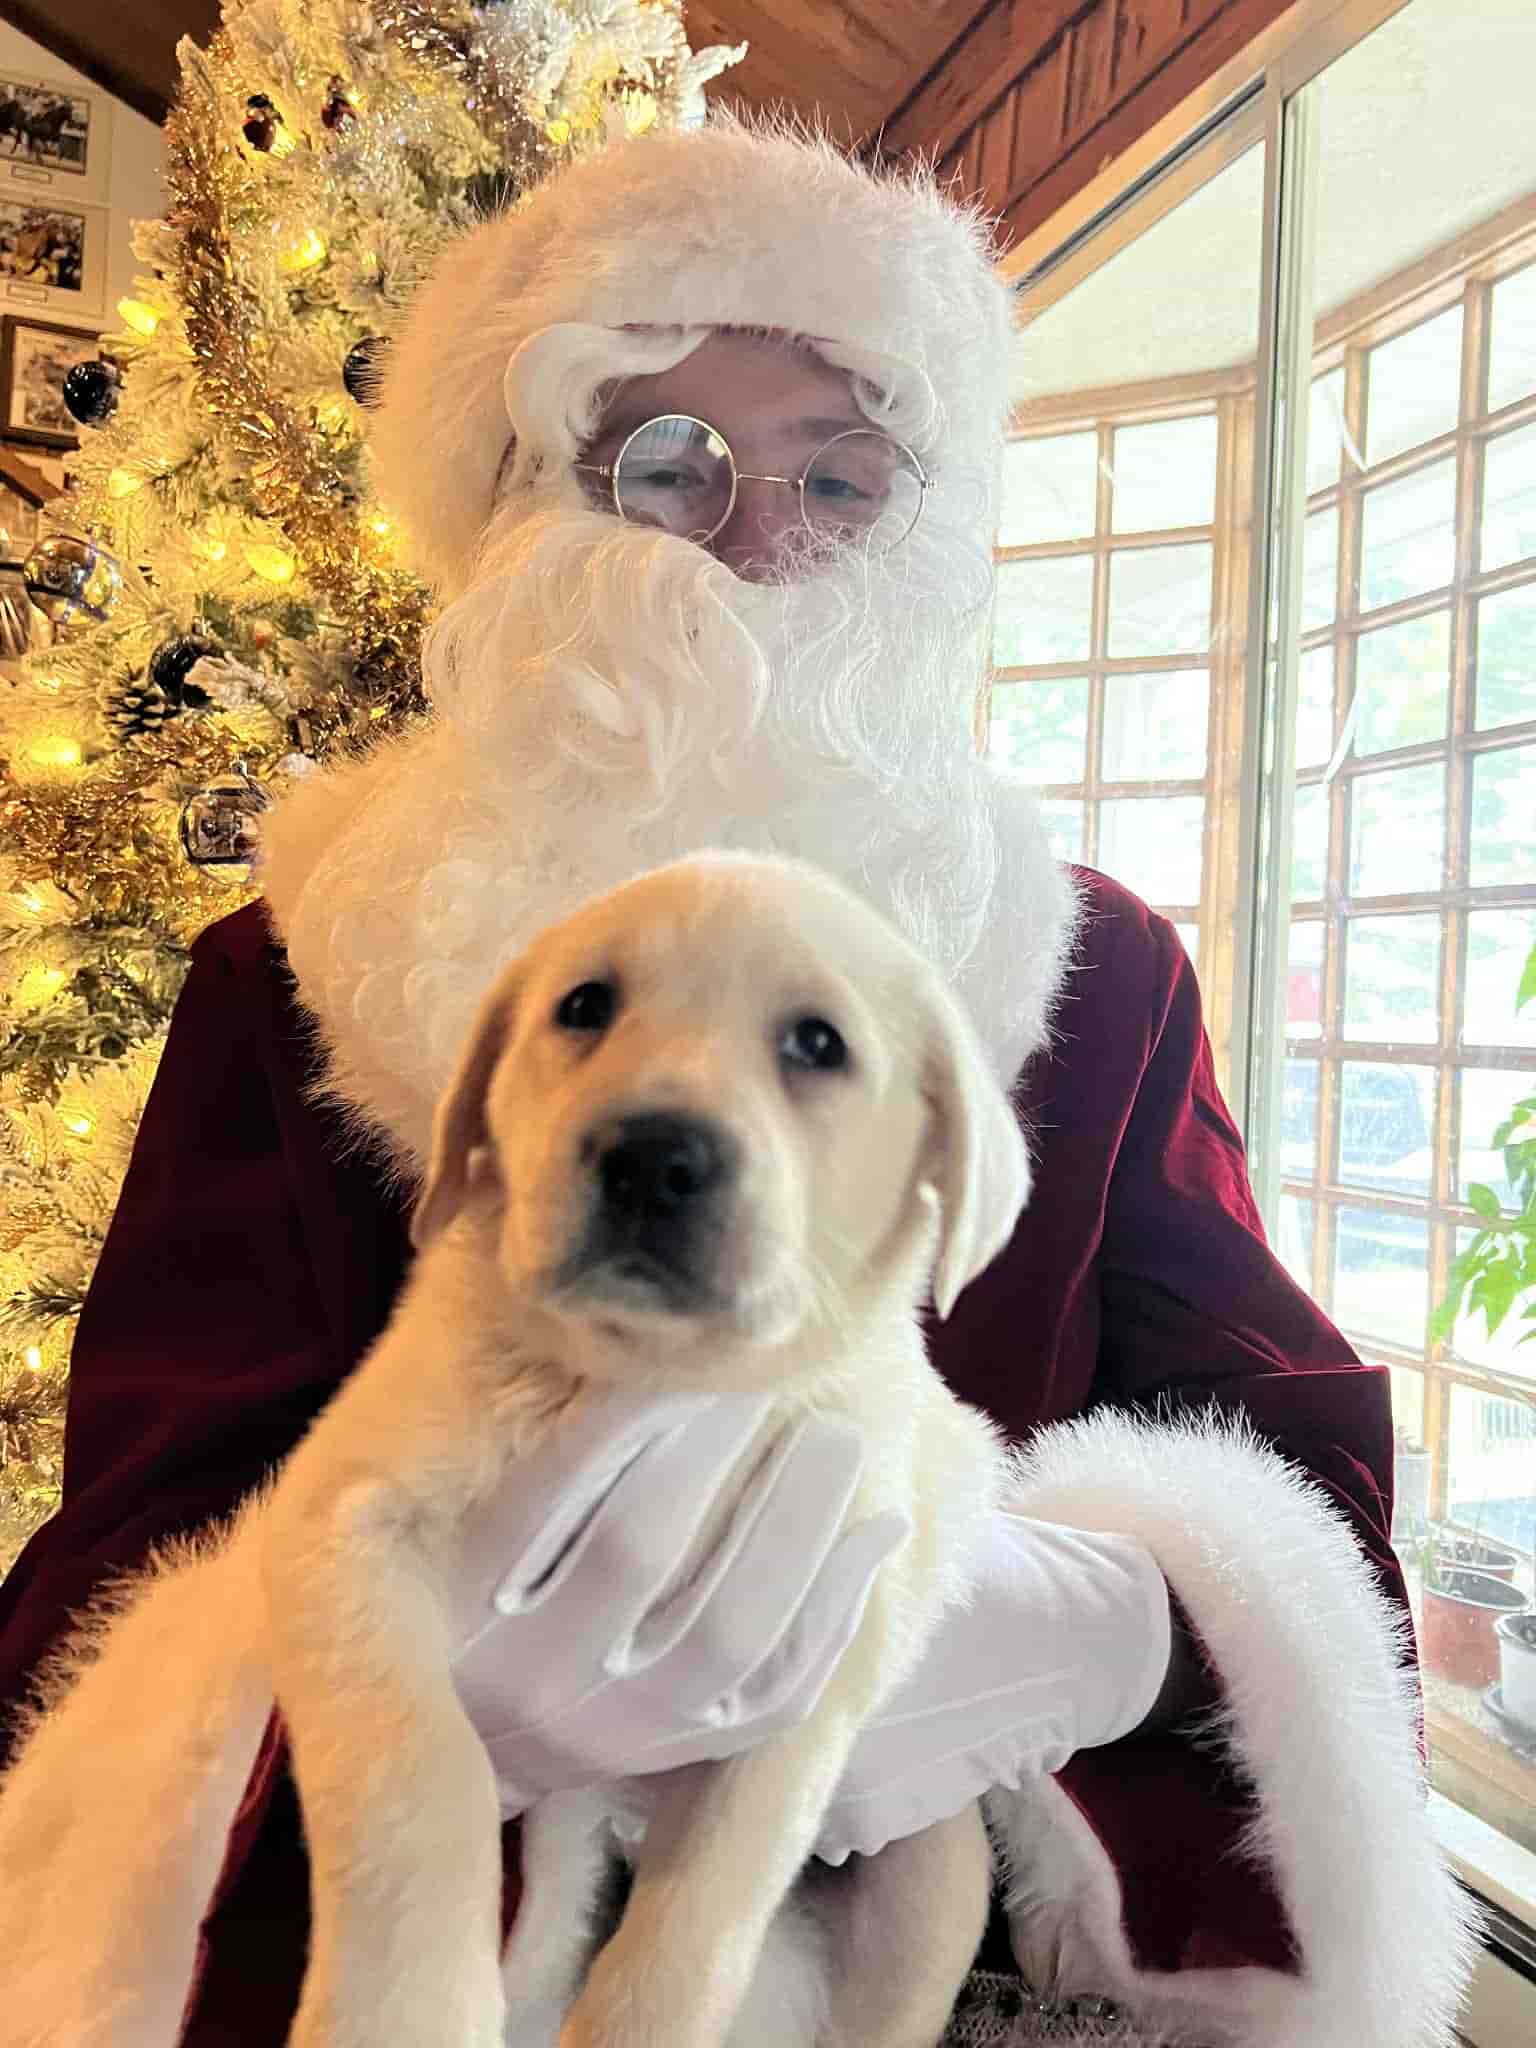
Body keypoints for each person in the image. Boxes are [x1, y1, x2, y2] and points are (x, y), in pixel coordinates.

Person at [0, 120, 1472, 2048]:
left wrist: (1097, 1624)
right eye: (668, 463)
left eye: (840, 474)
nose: (763, 538)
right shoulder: (292, 971)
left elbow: (1300, 1465)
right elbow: (129, 1545)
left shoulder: (1102, 975)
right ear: (528, 503)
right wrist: (421, 1693)